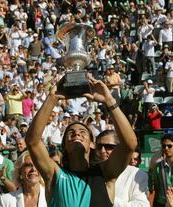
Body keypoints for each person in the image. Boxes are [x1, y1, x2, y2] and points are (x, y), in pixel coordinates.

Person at [25, 76, 137, 206]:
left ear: (92, 143)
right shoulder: (54, 175)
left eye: (83, 132)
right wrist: (53, 98)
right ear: (64, 145)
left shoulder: (105, 174)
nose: (77, 133)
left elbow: (130, 144)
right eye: (70, 133)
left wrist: (109, 101)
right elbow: (32, 141)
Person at [94, 130, 150, 207]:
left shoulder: (136, 174)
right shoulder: (91, 172)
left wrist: (109, 198)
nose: (102, 151)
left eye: (109, 147)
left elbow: (142, 205)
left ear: (119, 149)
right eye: (99, 147)